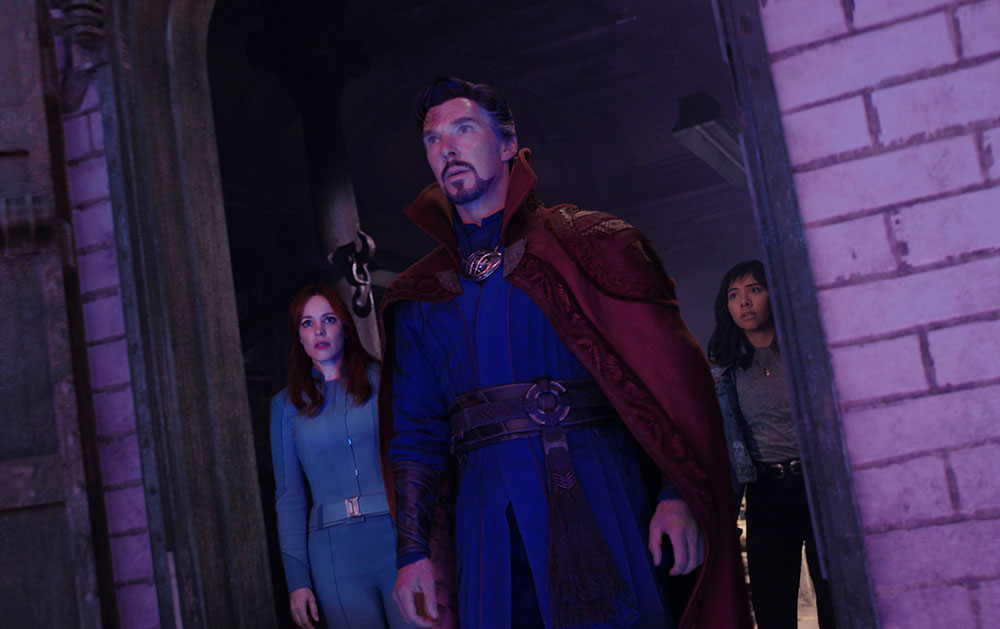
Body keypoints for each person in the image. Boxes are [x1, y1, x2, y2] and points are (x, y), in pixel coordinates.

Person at [376, 77, 751, 629]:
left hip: (598, 491)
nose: (447, 148)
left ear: (507, 144)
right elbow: (415, 434)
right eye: (433, 140)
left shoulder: (593, 245)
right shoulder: (419, 295)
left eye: (464, 129)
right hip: (485, 520)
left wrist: (677, 495)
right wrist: (412, 554)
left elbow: (672, 384)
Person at [270, 284, 407, 629]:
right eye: (307, 323)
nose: (319, 331)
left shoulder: (384, 380)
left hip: (397, 538)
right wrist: (297, 580)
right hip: (333, 555)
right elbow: (289, 497)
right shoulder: (286, 406)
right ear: (298, 337)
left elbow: (412, 459)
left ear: (345, 328)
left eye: (328, 319)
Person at [707, 260, 836, 629]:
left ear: (773, 294)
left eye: (754, 290)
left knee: (837, 602)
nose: (744, 302)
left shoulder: (807, 354)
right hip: (766, 491)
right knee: (772, 609)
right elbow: (726, 445)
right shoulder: (727, 370)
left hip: (819, 488)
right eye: (734, 295)